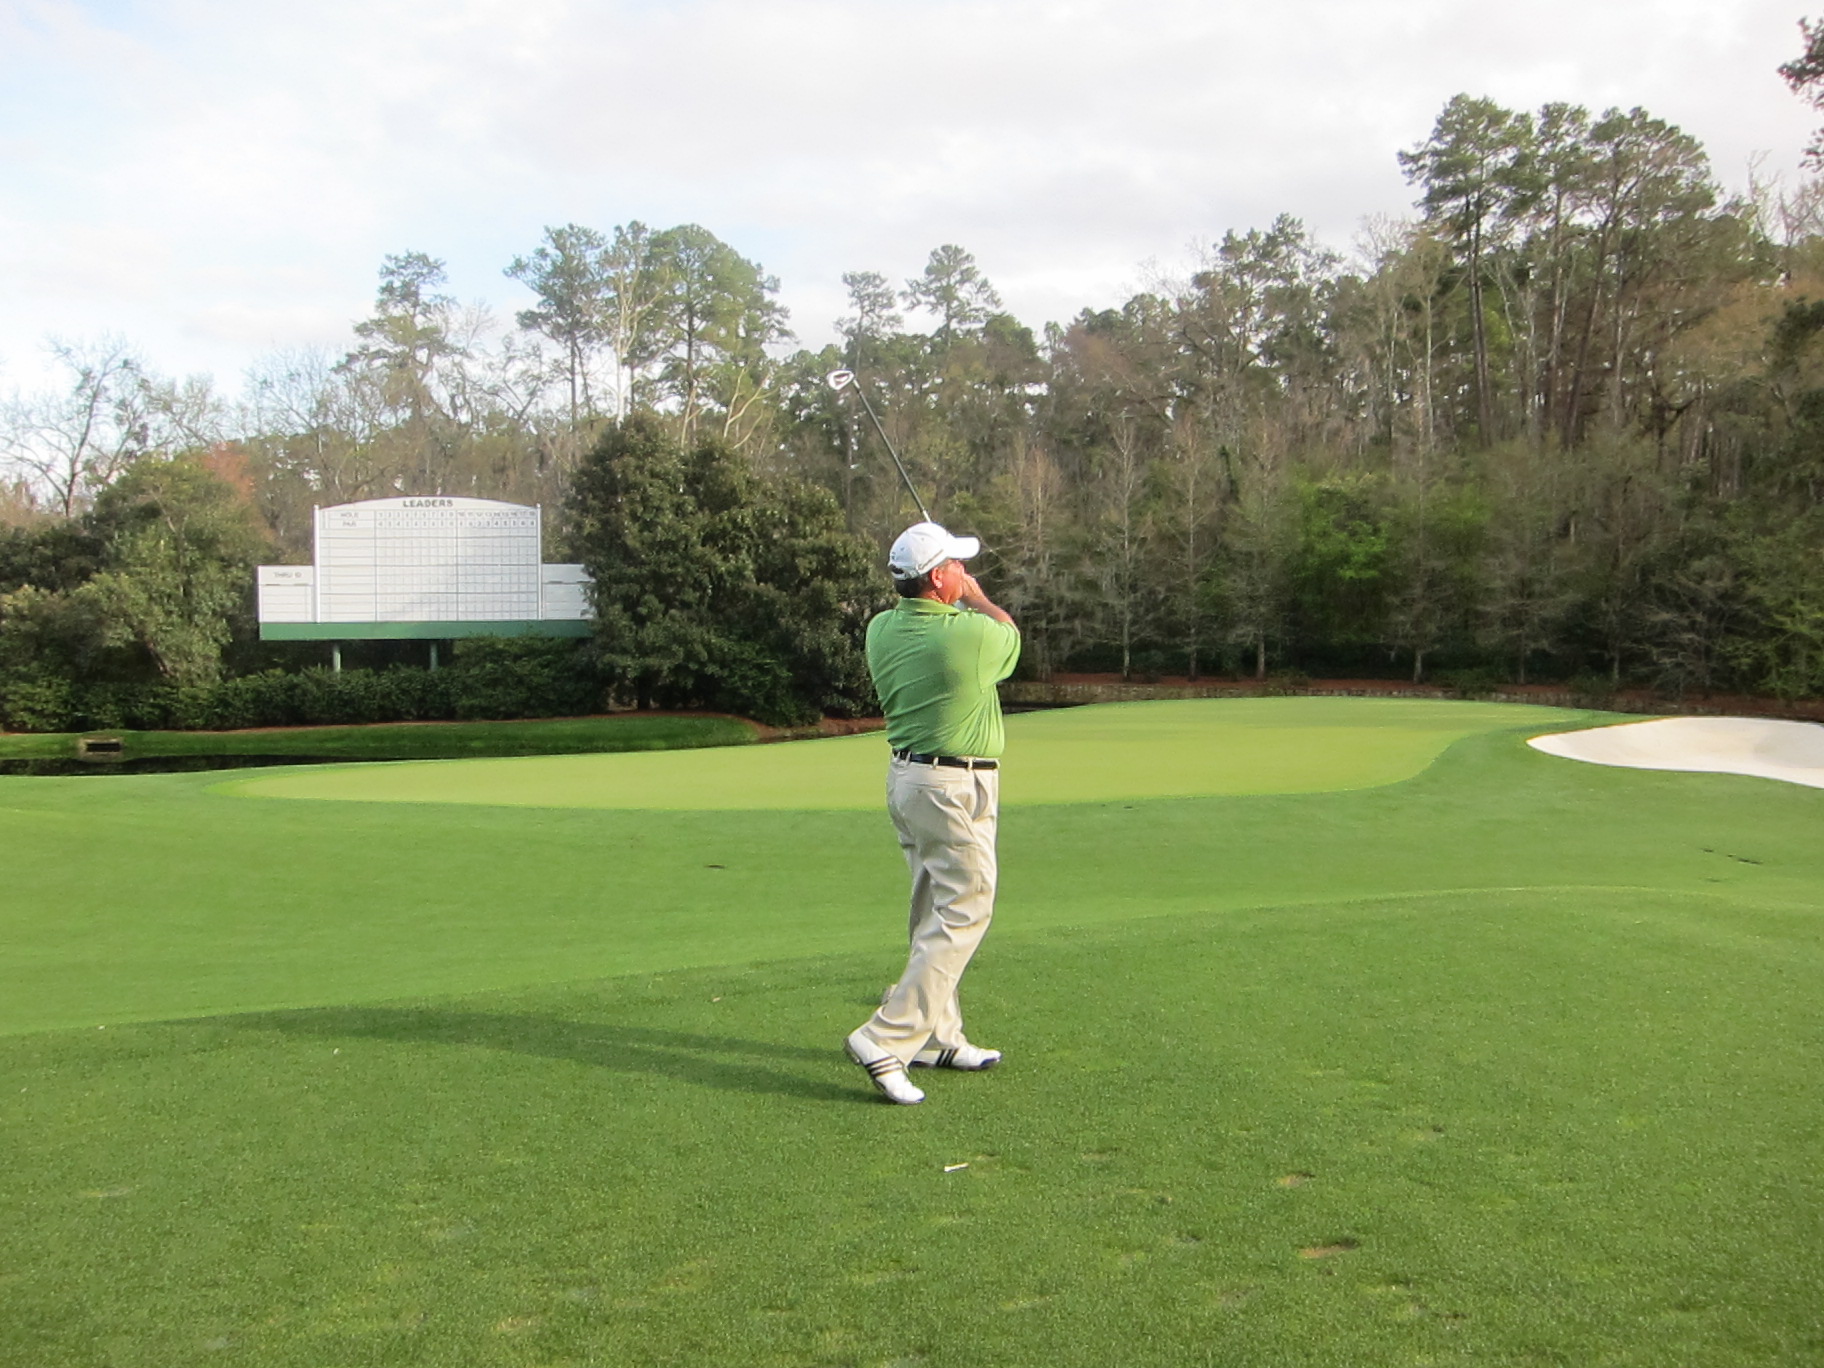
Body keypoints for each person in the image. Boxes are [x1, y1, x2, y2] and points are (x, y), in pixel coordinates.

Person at [844, 520, 1020, 1104]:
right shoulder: (965, 636)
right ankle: (886, 1037)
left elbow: (949, 613)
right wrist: (978, 595)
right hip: (953, 786)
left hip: (909, 780)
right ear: (940, 576)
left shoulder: (880, 627)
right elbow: (1010, 636)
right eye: (956, 566)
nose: (964, 573)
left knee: (932, 910)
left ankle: (938, 1036)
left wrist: (956, 592)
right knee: (968, 906)